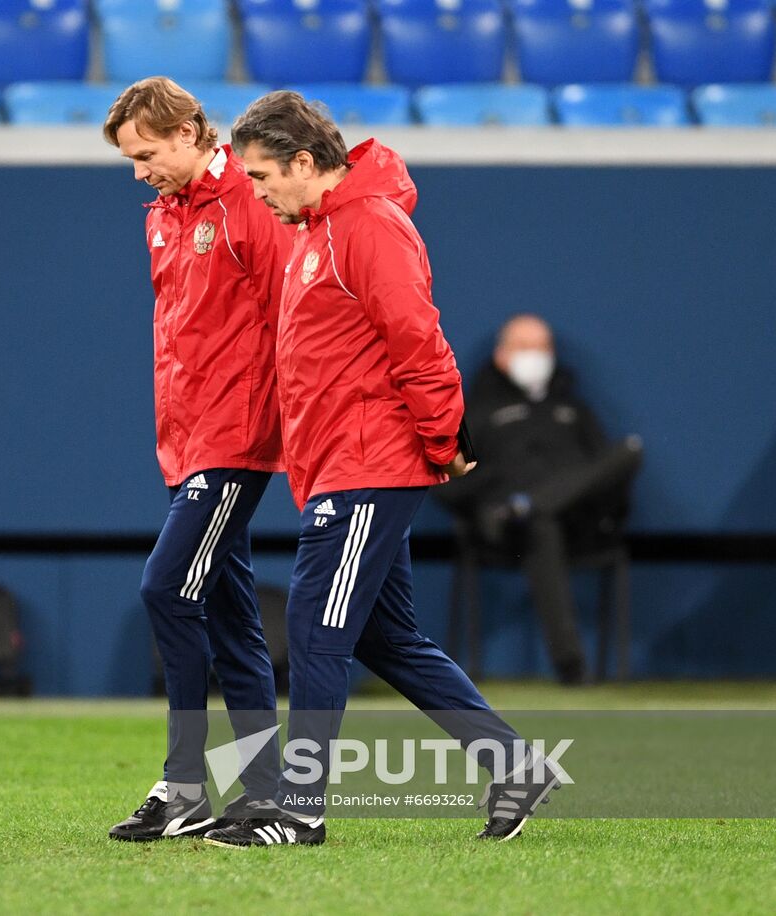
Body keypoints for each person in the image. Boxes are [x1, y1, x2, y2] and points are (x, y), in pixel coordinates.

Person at [204, 92, 557, 847]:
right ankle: (516, 766)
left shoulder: (366, 227)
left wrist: (438, 443)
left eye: (263, 175)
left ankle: (299, 811)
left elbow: (419, 342)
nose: (256, 190)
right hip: (341, 464)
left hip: (370, 465)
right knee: (382, 637)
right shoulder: (317, 229)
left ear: (305, 162)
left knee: (314, 628)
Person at [101, 77, 293, 841]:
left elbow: (292, 319)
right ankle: (264, 788)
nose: (138, 171)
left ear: (187, 132)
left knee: (165, 589)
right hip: (186, 444)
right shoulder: (163, 216)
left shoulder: (249, 201)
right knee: (230, 617)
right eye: (128, 159)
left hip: (235, 438)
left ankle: (183, 784)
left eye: (145, 154)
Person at [434, 313, 644, 685]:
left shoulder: (573, 409)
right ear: (501, 355)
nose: (536, 355)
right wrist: (497, 483)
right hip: (504, 525)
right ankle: (572, 668)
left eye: (543, 347)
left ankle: (534, 502)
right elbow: (447, 483)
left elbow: (600, 473)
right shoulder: (479, 410)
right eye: (524, 347)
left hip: (578, 522)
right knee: (537, 525)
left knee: (629, 451)